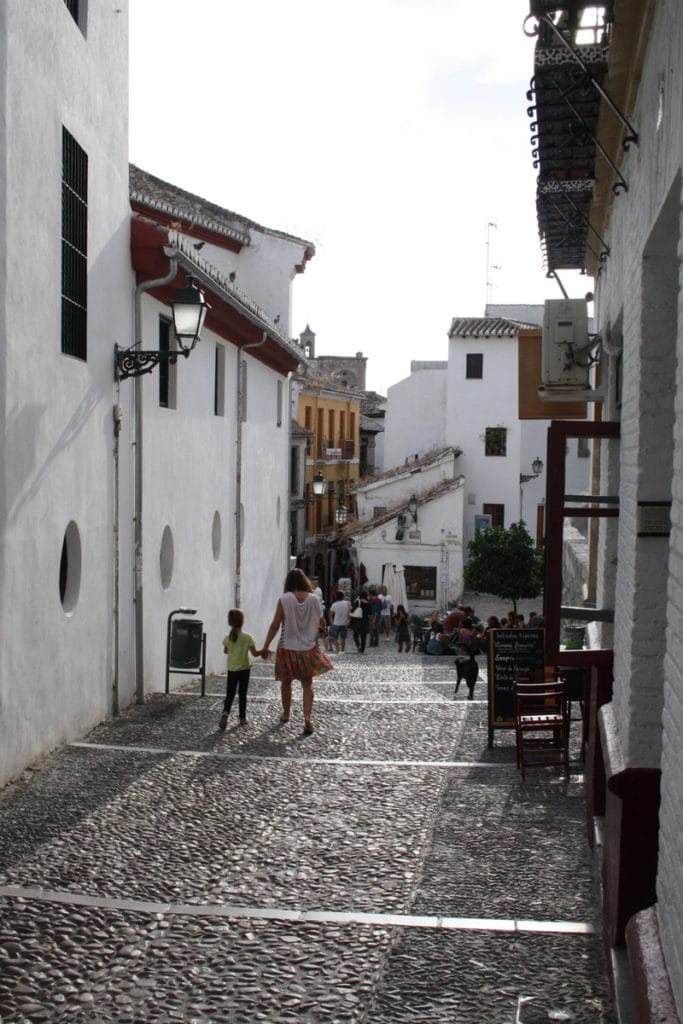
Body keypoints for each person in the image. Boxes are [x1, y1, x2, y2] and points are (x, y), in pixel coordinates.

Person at [261, 568, 332, 735]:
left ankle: (286, 713)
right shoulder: (314, 600)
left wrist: (266, 645)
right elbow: (322, 622)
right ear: (304, 581)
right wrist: (323, 631)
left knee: (286, 682)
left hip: (287, 647)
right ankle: (307, 718)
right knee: (307, 684)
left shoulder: (284, 599)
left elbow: (275, 624)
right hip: (307, 648)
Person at [219, 609, 264, 729]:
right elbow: (255, 654)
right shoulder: (247, 637)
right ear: (242, 621)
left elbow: (226, 651)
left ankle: (225, 712)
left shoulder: (227, 638)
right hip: (244, 669)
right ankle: (242, 718)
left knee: (230, 693)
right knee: (242, 693)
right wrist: (264, 650)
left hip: (232, 669)